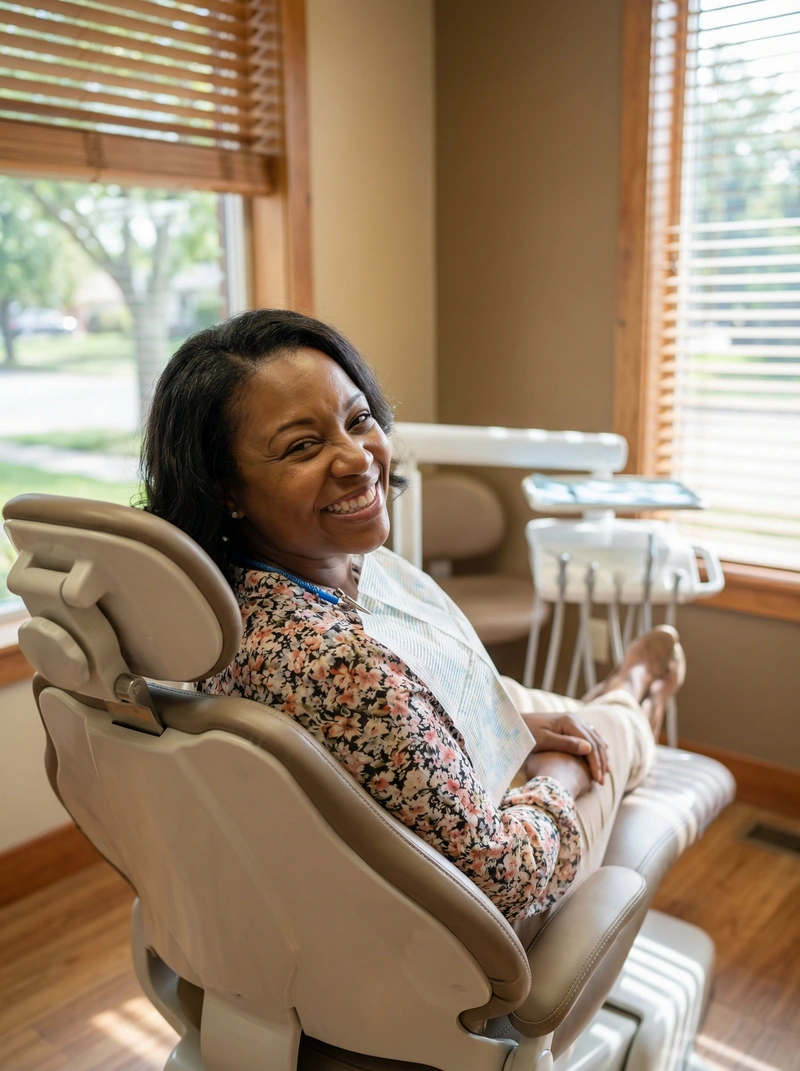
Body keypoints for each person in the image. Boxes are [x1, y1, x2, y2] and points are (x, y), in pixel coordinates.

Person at [141, 309, 685, 925]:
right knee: (601, 736)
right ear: (225, 488)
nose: (357, 459)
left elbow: (385, 737)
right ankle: (632, 695)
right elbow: (509, 880)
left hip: (348, 857)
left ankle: (602, 704)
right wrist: (557, 772)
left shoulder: (218, 602)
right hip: (473, 928)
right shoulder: (337, 663)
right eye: (302, 446)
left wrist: (514, 726)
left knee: (525, 704)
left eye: (359, 419)